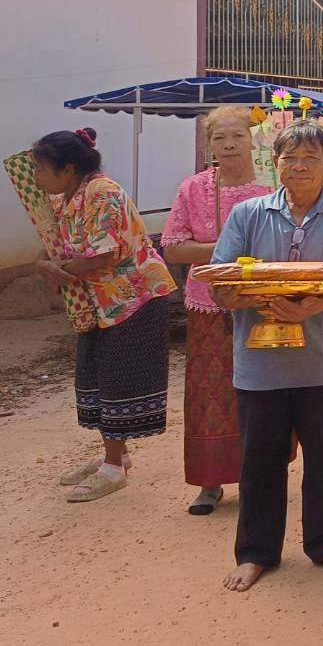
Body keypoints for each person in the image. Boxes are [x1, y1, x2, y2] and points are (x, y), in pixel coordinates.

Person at [211, 120, 323, 591]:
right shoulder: (247, 214)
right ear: (274, 162)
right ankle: (256, 551)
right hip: (260, 364)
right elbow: (221, 282)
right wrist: (248, 300)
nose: (299, 167)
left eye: (311, 159)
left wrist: (309, 307)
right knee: (260, 458)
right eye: (289, 158)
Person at [34, 128, 175, 503]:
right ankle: (115, 457)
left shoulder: (102, 193)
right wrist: (55, 267)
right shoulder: (69, 198)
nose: (37, 178)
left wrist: (56, 269)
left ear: (67, 169)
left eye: (41, 169)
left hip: (133, 297)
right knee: (96, 375)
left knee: (116, 380)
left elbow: (103, 255)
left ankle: (113, 466)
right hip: (103, 300)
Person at [162, 107, 271, 515]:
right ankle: (210, 483)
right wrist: (228, 246)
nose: (228, 145)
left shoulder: (270, 189)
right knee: (208, 393)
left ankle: (257, 479)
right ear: (208, 145)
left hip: (262, 303)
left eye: (237, 136)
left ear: (252, 139)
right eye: (218, 138)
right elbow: (173, 247)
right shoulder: (192, 189)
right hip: (207, 305)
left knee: (259, 391)